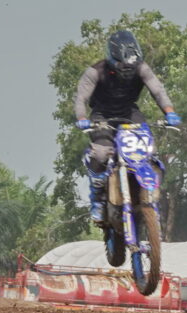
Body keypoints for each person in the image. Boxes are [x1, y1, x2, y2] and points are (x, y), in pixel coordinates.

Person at [73, 30, 181, 223]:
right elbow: (81, 98)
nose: (128, 69)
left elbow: (158, 91)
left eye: (131, 65)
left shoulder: (142, 68)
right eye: (123, 65)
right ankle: (98, 198)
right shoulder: (95, 72)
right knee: (101, 153)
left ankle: (149, 194)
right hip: (102, 115)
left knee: (149, 151)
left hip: (129, 113)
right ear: (112, 58)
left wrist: (170, 112)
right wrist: (82, 118)